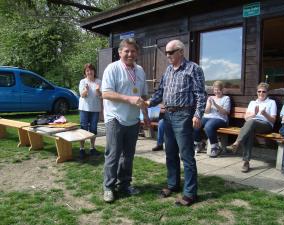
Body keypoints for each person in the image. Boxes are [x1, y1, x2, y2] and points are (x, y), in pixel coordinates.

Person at [147, 40, 206, 206]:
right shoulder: (168, 70)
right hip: (167, 115)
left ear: (181, 51)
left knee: (186, 155)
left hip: (184, 115)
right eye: (166, 52)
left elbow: (201, 94)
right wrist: (149, 102)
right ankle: (173, 185)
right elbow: (160, 92)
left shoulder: (193, 68)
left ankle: (190, 193)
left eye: (170, 52)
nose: (167, 55)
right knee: (170, 153)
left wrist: (198, 115)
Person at [101, 38, 149, 203]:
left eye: (133, 51)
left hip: (133, 119)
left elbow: (143, 96)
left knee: (128, 155)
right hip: (115, 118)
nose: (130, 54)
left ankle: (125, 185)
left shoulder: (140, 70)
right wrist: (128, 99)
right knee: (113, 155)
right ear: (120, 52)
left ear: (137, 53)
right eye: (126, 51)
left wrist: (146, 116)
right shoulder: (112, 68)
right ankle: (108, 187)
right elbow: (105, 93)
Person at [230, 82, 277, 173]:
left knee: (251, 122)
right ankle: (246, 162)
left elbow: (273, 121)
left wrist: (265, 114)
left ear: (267, 93)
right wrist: (254, 114)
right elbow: (246, 117)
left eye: (264, 91)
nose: (261, 93)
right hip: (252, 125)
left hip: (265, 125)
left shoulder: (271, 102)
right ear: (257, 92)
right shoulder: (253, 103)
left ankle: (237, 142)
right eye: (259, 91)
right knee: (250, 130)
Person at [194, 81, 231, 157]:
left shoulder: (226, 98)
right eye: (215, 90)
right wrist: (210, 105)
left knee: (208, 126)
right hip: (208, 117)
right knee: (196, 123)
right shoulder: (210, 98)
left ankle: (215, 147)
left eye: (218, 90)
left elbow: (225, 112)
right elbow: (207, 112)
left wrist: (215, 105)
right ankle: (199, 144)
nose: (216, 92)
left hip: (221, 119)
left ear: (222, 90)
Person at [78, 63, 102, 159]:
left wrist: (97, 91)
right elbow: (82, 95)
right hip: (84, 108)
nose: (89, 72)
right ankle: (82, 149)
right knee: (83, 128)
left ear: (94, 71)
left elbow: (101, 95)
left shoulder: (99, 81)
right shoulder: (82, 82)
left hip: (95, 109)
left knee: (93, 129)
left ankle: (92, 148)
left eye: (91, 70)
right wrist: (86, 90)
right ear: (85, 73)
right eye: (87, 70)